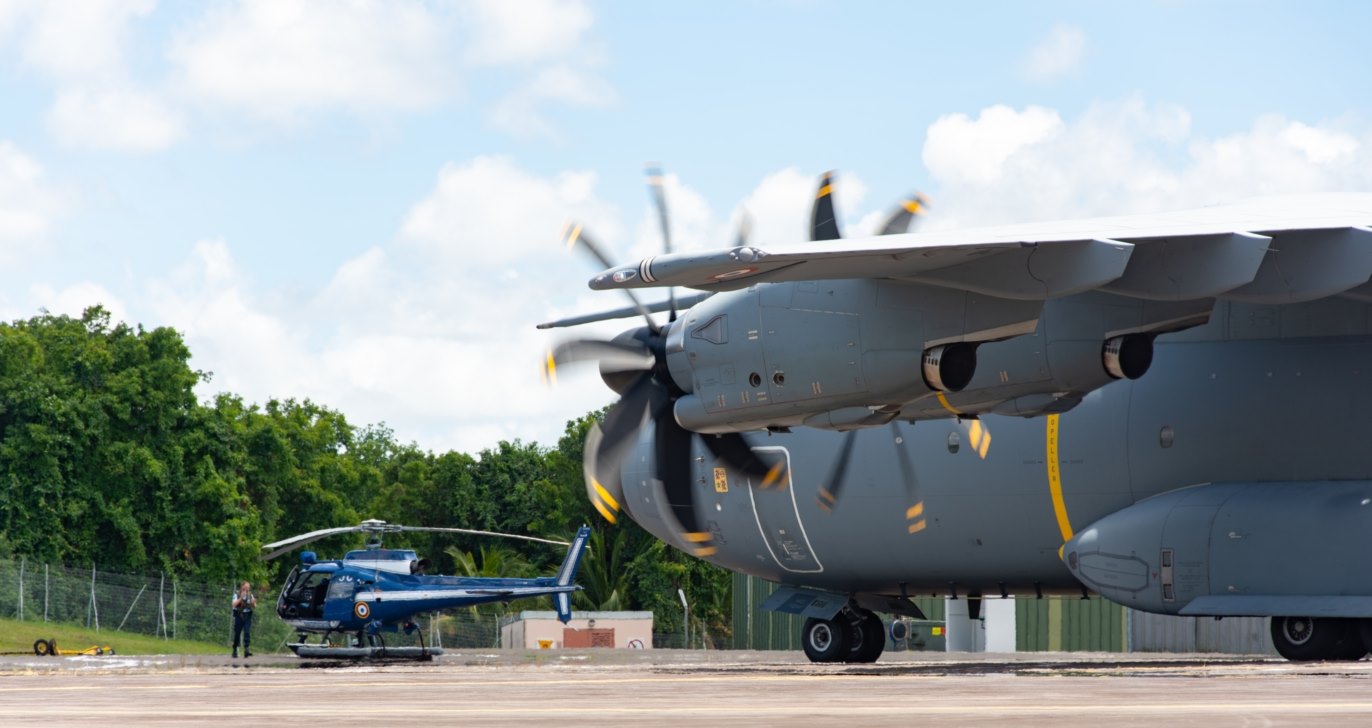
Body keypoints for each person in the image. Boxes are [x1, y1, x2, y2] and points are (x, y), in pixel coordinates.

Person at [231, 581, 256, 658]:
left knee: (247, 632)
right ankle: (235, 649)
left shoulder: (250, 595)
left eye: (248, 587)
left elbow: (254, 606)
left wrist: (253, 603)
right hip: (239, 615)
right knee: (237, 633)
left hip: (247, 615)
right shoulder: (237, 594)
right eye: (246, 587)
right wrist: (241, 598)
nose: (247, 588)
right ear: (242, 587)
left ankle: (246, 649)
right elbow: (233, 604)